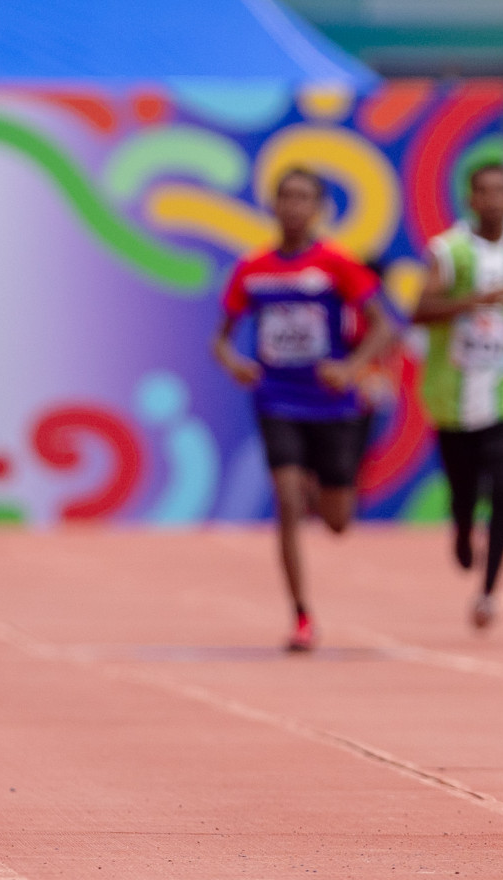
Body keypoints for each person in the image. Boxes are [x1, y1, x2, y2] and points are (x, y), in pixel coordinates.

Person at [213, 168, 396, 652]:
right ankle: (301, 615)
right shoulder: (252, 269)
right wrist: (236, 363)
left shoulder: (337, 264)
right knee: (287, 500)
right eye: (285, 197)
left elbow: (383, 328)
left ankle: (322, 486)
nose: (294, 207)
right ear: (272, 205)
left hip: (332, 404)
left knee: (337, 522)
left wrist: (351, 366)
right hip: (276, 397)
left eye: (304, 198)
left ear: (320, 210)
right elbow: (221, 339)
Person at [412, 160, 503, 629]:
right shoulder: (449, 252)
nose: (493, 200)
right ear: (470, 199)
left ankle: (489, 591)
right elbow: (419, 309)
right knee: (464, 489)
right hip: (455, 394)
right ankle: (459, 526)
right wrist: (469, 303)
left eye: (501, 191)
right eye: (483, 192)